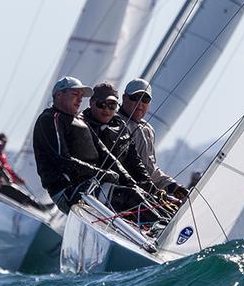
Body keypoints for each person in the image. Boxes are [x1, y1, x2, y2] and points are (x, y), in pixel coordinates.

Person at [33, 76, 160, 221]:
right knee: (130, 198)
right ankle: (162, 230)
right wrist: (103, 174)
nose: (80, 99)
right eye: (75, 94)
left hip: (91, 185)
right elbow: (62, 160)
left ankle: (159, 227)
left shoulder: (79, 121)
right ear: (59, 95)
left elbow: (106, 155)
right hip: (69, 190)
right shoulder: (51, 118)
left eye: (81, 96)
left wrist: (135, 184)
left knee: (137, 195)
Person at [119, 78, 188, 200]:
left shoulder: (148, 130)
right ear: (124, 98)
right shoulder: (114, 121)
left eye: (145, 99)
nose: (140, 104)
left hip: (145, 191)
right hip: (123, 190)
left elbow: (150, 168)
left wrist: (173, 186)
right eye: (135, 98)